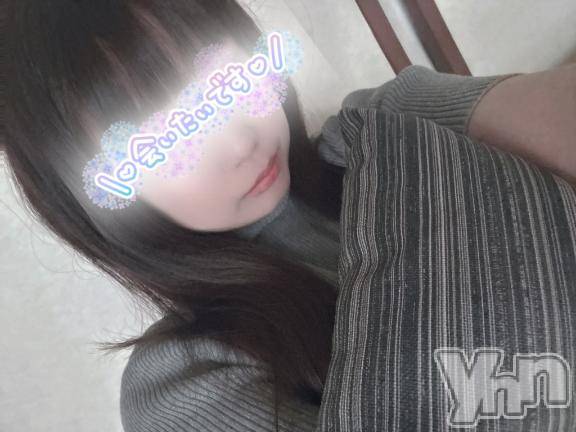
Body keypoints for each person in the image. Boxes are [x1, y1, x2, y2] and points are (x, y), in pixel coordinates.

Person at [4, 1, 576, 431]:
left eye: (226, 82)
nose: (240, 141)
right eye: (163, 140)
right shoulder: (182, 384)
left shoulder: (382, 121)